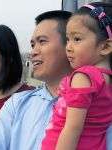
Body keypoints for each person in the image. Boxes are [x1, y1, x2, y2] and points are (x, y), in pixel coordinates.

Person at [0, 10, 72, 150]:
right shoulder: (17, 104)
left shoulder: (101, 106)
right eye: (33, 45)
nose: (33, 52)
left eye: (42, 41)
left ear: (70, 45)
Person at [41, 2, 112, 150]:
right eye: (67, 39)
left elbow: (72, 129)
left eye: (77, 39)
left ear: (105, 47)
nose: (68, 47)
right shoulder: (107, 79)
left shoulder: (83, 76)